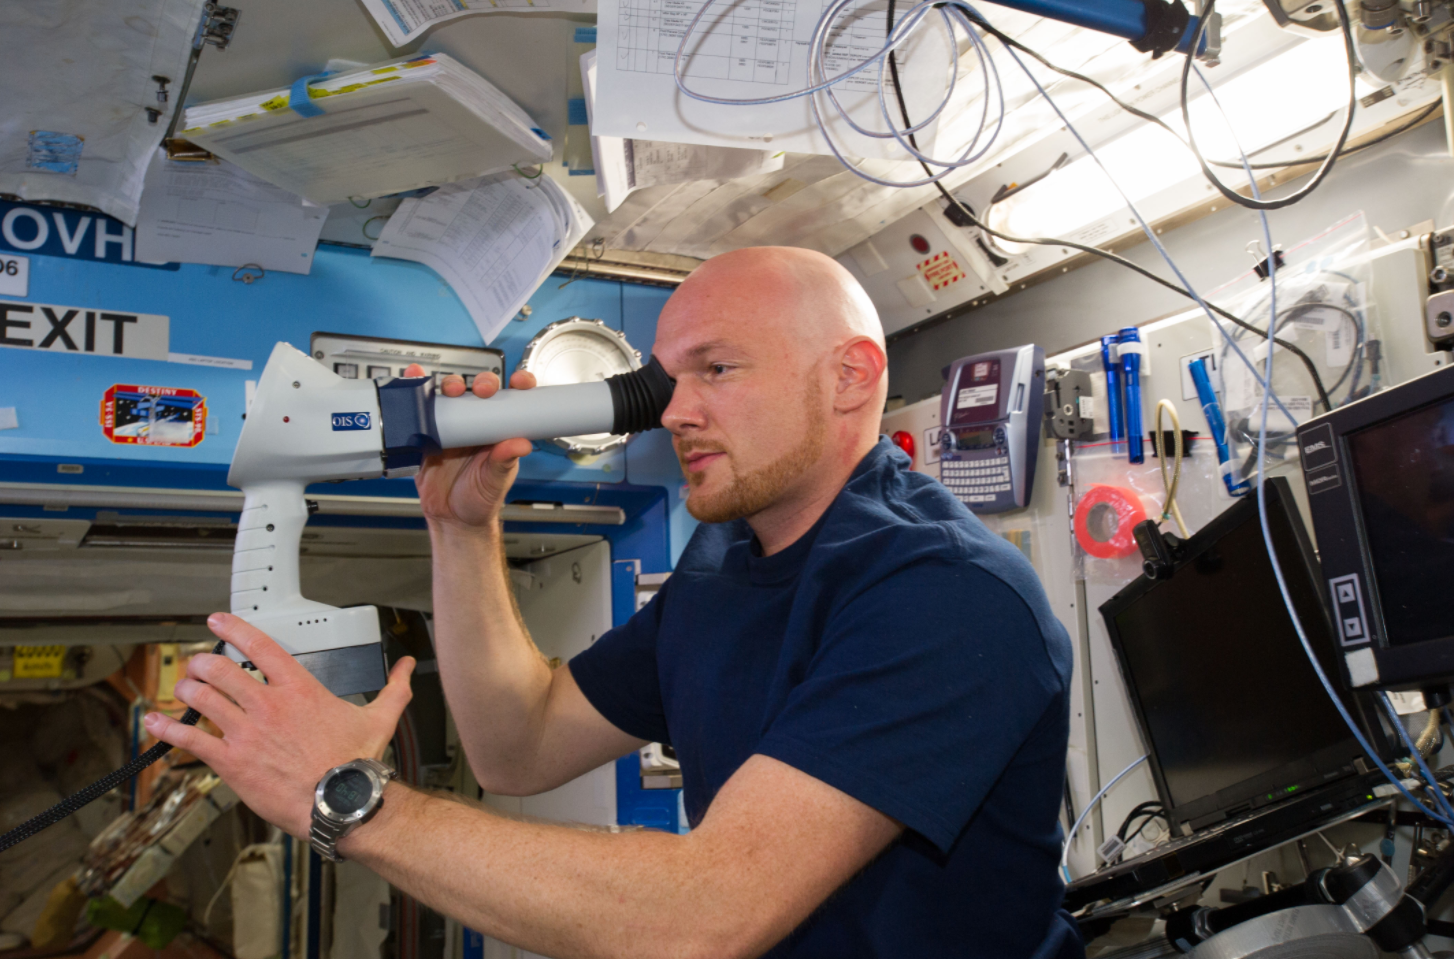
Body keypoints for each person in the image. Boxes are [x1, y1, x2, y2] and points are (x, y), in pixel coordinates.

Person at [147, 247, 1083, 959]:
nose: (675, 411)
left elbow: (711, 910)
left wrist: (348, 798)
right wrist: (462, 530)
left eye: (717, 369)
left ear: (850, 377)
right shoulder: (726, 562)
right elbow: (518, 747)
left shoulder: (946, 595)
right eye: (669, 379)